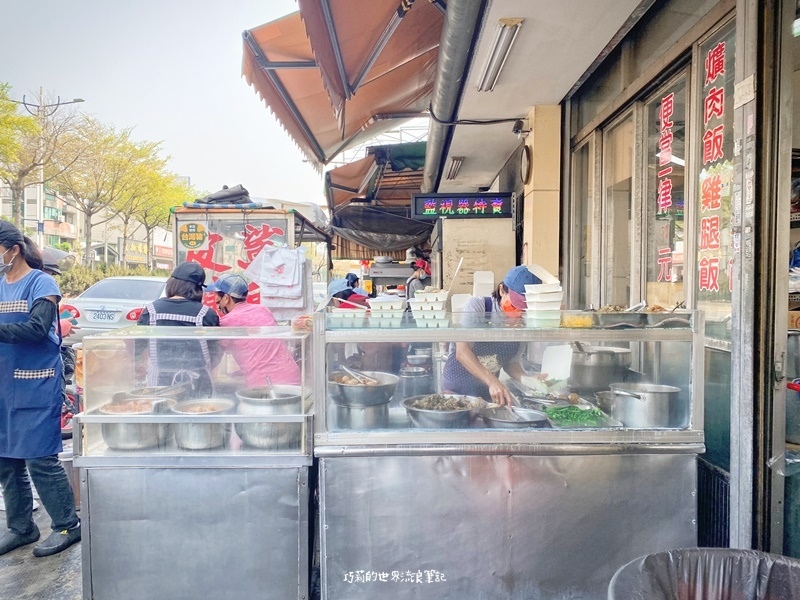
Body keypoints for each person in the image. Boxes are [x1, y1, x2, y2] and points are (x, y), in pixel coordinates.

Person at [0, 221, 81, 557]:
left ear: (13, 250)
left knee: (39, 458)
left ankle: (67, 525)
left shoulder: (41, 282)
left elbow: (37, 329)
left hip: (36, 381)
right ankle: (22, 527)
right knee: (6, 459)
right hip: (4, 385)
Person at [441, 265, 541, 407]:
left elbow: (511, 364)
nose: (519, 314)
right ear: (501, 290)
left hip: (488, 393)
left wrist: (531, 381)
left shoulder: (523, 323)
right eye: (515, 306)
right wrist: (493, 381)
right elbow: (462, 352)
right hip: (456, 389)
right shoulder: (478, 307)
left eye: (525, 310)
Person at [136, 262, 221, 396]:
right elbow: (215, 353)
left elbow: (138, 347)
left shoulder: (151, 310)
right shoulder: (207, 314)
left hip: (159, 386)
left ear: (172, 284)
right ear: (198, 289)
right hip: (199, 387)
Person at [207, 273, 301, 387]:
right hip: (292, 375)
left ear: (226, 298)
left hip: (266, 383)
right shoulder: (263, 309)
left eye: (217, 295)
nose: (215, 299)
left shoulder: (227, 322)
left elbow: (215, 356)